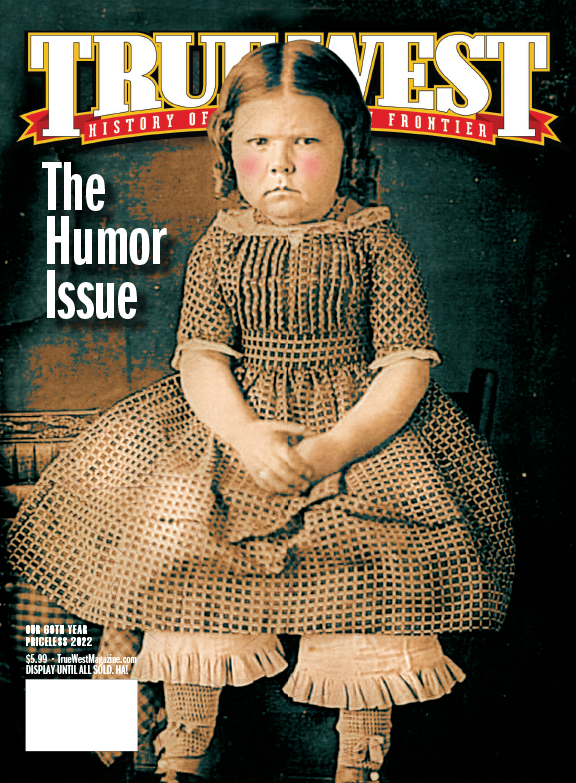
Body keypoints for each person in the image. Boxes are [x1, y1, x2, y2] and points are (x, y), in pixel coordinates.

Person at [8, 41, 514, 783]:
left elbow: (405, 364)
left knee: (377, 568)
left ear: (348, 146)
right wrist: (244, 434)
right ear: (230, 151)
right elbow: (202, 358)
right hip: (231, 429)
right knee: (177, 549)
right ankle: (179, 751)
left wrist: (334, 448)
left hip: (359, 435)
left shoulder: (375, 242)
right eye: (259, 144)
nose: (281, 164)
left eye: (306, 142)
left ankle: (359, 761)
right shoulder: (222, 245)